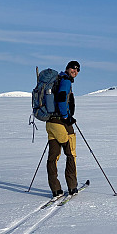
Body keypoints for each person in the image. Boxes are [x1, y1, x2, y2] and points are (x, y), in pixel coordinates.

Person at [46, 61, 80, 197]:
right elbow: (61, 98)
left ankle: (55, 189)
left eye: (78, 70)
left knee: (52, 157)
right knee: (70, 153)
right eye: (73, 68)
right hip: (61, 123)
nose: (75, 71)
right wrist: (66, 117)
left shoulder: (57, 80)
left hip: (50, 123)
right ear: (67, 68)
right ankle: (72, 187)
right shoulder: (65, 81)